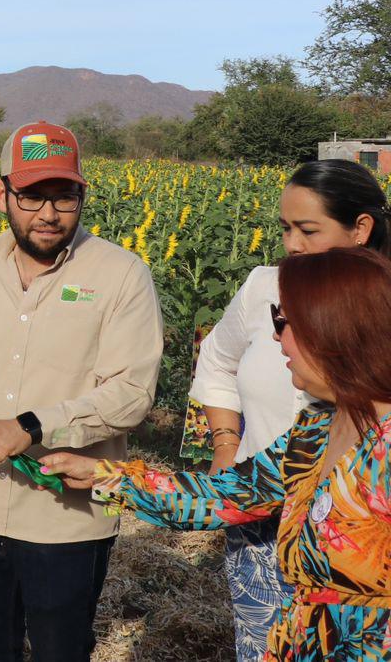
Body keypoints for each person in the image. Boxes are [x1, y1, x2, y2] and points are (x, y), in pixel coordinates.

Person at [43, 246, 391, 661]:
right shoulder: (318, 427)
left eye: (284, 321)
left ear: (333, 330)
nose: (277, 338)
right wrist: (107, 476)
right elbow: (230, 494)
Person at [0, 120, 163, 662]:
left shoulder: (122, 274)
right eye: (31, 196)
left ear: (81, 195)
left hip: (70, 516)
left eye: (63, 197)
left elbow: (133, 393)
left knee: (60, 650)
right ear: (2, 194)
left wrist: (31, 427)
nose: (48, 213)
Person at [188, 159, 391, 662]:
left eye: (308, 229)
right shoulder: (267, 287)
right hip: (261, 519)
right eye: (285, 229)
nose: (293, 244)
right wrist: (225, 444)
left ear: (360, 228)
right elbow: (215, 362)